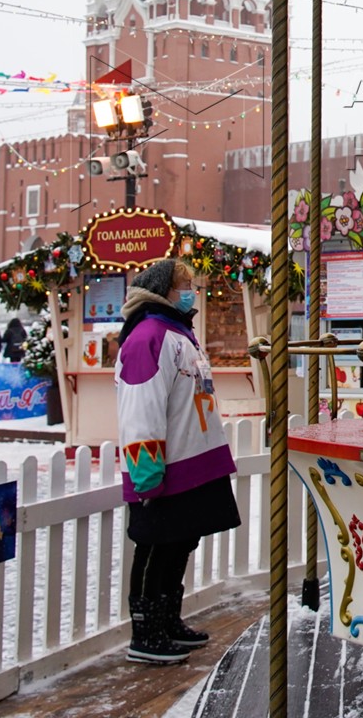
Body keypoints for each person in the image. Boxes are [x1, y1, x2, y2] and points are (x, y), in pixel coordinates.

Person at [115, 258, 240, 665]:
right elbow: (141, 407)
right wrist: (147, 473)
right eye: (184, 283)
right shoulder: (147, 337)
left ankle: (168, 620)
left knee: (180, 544)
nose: (192, 289)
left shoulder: (179, 334)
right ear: (162, 290)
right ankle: (146, 631)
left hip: (194, 461)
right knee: (156, 547)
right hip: (165, 467)